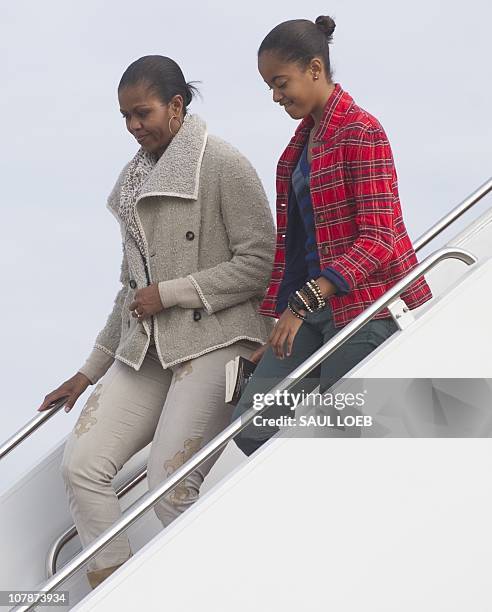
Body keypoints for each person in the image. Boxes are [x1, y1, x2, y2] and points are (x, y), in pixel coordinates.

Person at [37, 55, 275, 588]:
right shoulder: (130, 184)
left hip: (219, 336)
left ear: (176, 105)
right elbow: (129, 292)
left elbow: (260, 262)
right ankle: (118, 590)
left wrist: (171, 294)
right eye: (124, 116)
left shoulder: (222, 164)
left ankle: (222, 591)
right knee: (83, 466)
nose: (133, 126)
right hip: (150, 347)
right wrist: (88, 371)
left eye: (141, 113)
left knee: (170, 486)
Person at [232, 16, 433, 455]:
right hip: (313, 307)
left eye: (281, 82)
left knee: (339, 434)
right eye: (270, 85)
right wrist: (286, 318)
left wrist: (305, 302)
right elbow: (304, 248)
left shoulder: (363, 132)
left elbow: (379, 239)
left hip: (368, 305)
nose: (275, 95)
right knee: (250, 425)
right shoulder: (299, 147)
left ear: (315, 69)